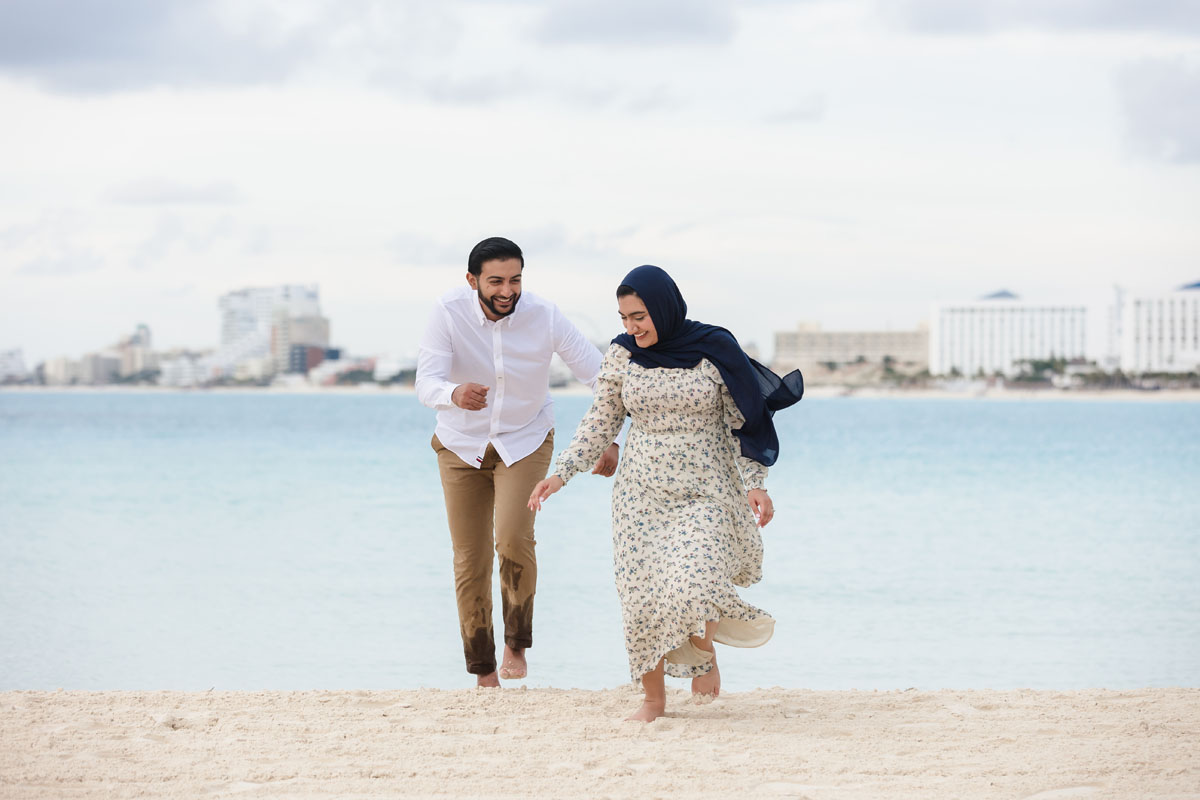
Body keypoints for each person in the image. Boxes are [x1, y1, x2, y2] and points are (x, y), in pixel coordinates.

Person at [528, 264, 803, 721]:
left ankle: (703, 650)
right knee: (642, 597)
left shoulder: (714, 349)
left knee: (697, 581)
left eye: (640, 316)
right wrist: (562, 474)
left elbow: (745, 420)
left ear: (663, 307)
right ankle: (653, 701)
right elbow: (602, 419)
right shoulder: (621, 356)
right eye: (623, 318)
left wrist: (756, 485)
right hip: (641, 493)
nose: (632, 328)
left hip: (707, 489)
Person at [416, 236, 621, 688]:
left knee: (511, 537)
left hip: (525, 440)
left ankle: (517, 642)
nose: (507, 290)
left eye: (515, 280)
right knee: (469, 559)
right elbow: (425, 381)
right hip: (459, 445)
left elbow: (601, 375)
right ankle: (483, 671)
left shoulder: (544, 316)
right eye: (495, 281)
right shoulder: (447, 312)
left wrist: (606, 437)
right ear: (472, 281)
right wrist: (453, 394)